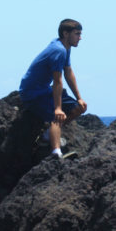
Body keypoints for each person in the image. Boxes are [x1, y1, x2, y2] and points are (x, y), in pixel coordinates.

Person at [19, 19, 88, 157]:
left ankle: (46, 136)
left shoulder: (65, 48)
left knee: (79, 108)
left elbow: (68, 72)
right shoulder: (58, 50)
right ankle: (56, 152)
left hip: (45, 90)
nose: (80, 38)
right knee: (57, 116)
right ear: (65, 33)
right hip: (32, 93)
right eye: (77, 34)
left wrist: (79, 98)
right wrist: (58, 108)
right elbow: (57, 81)